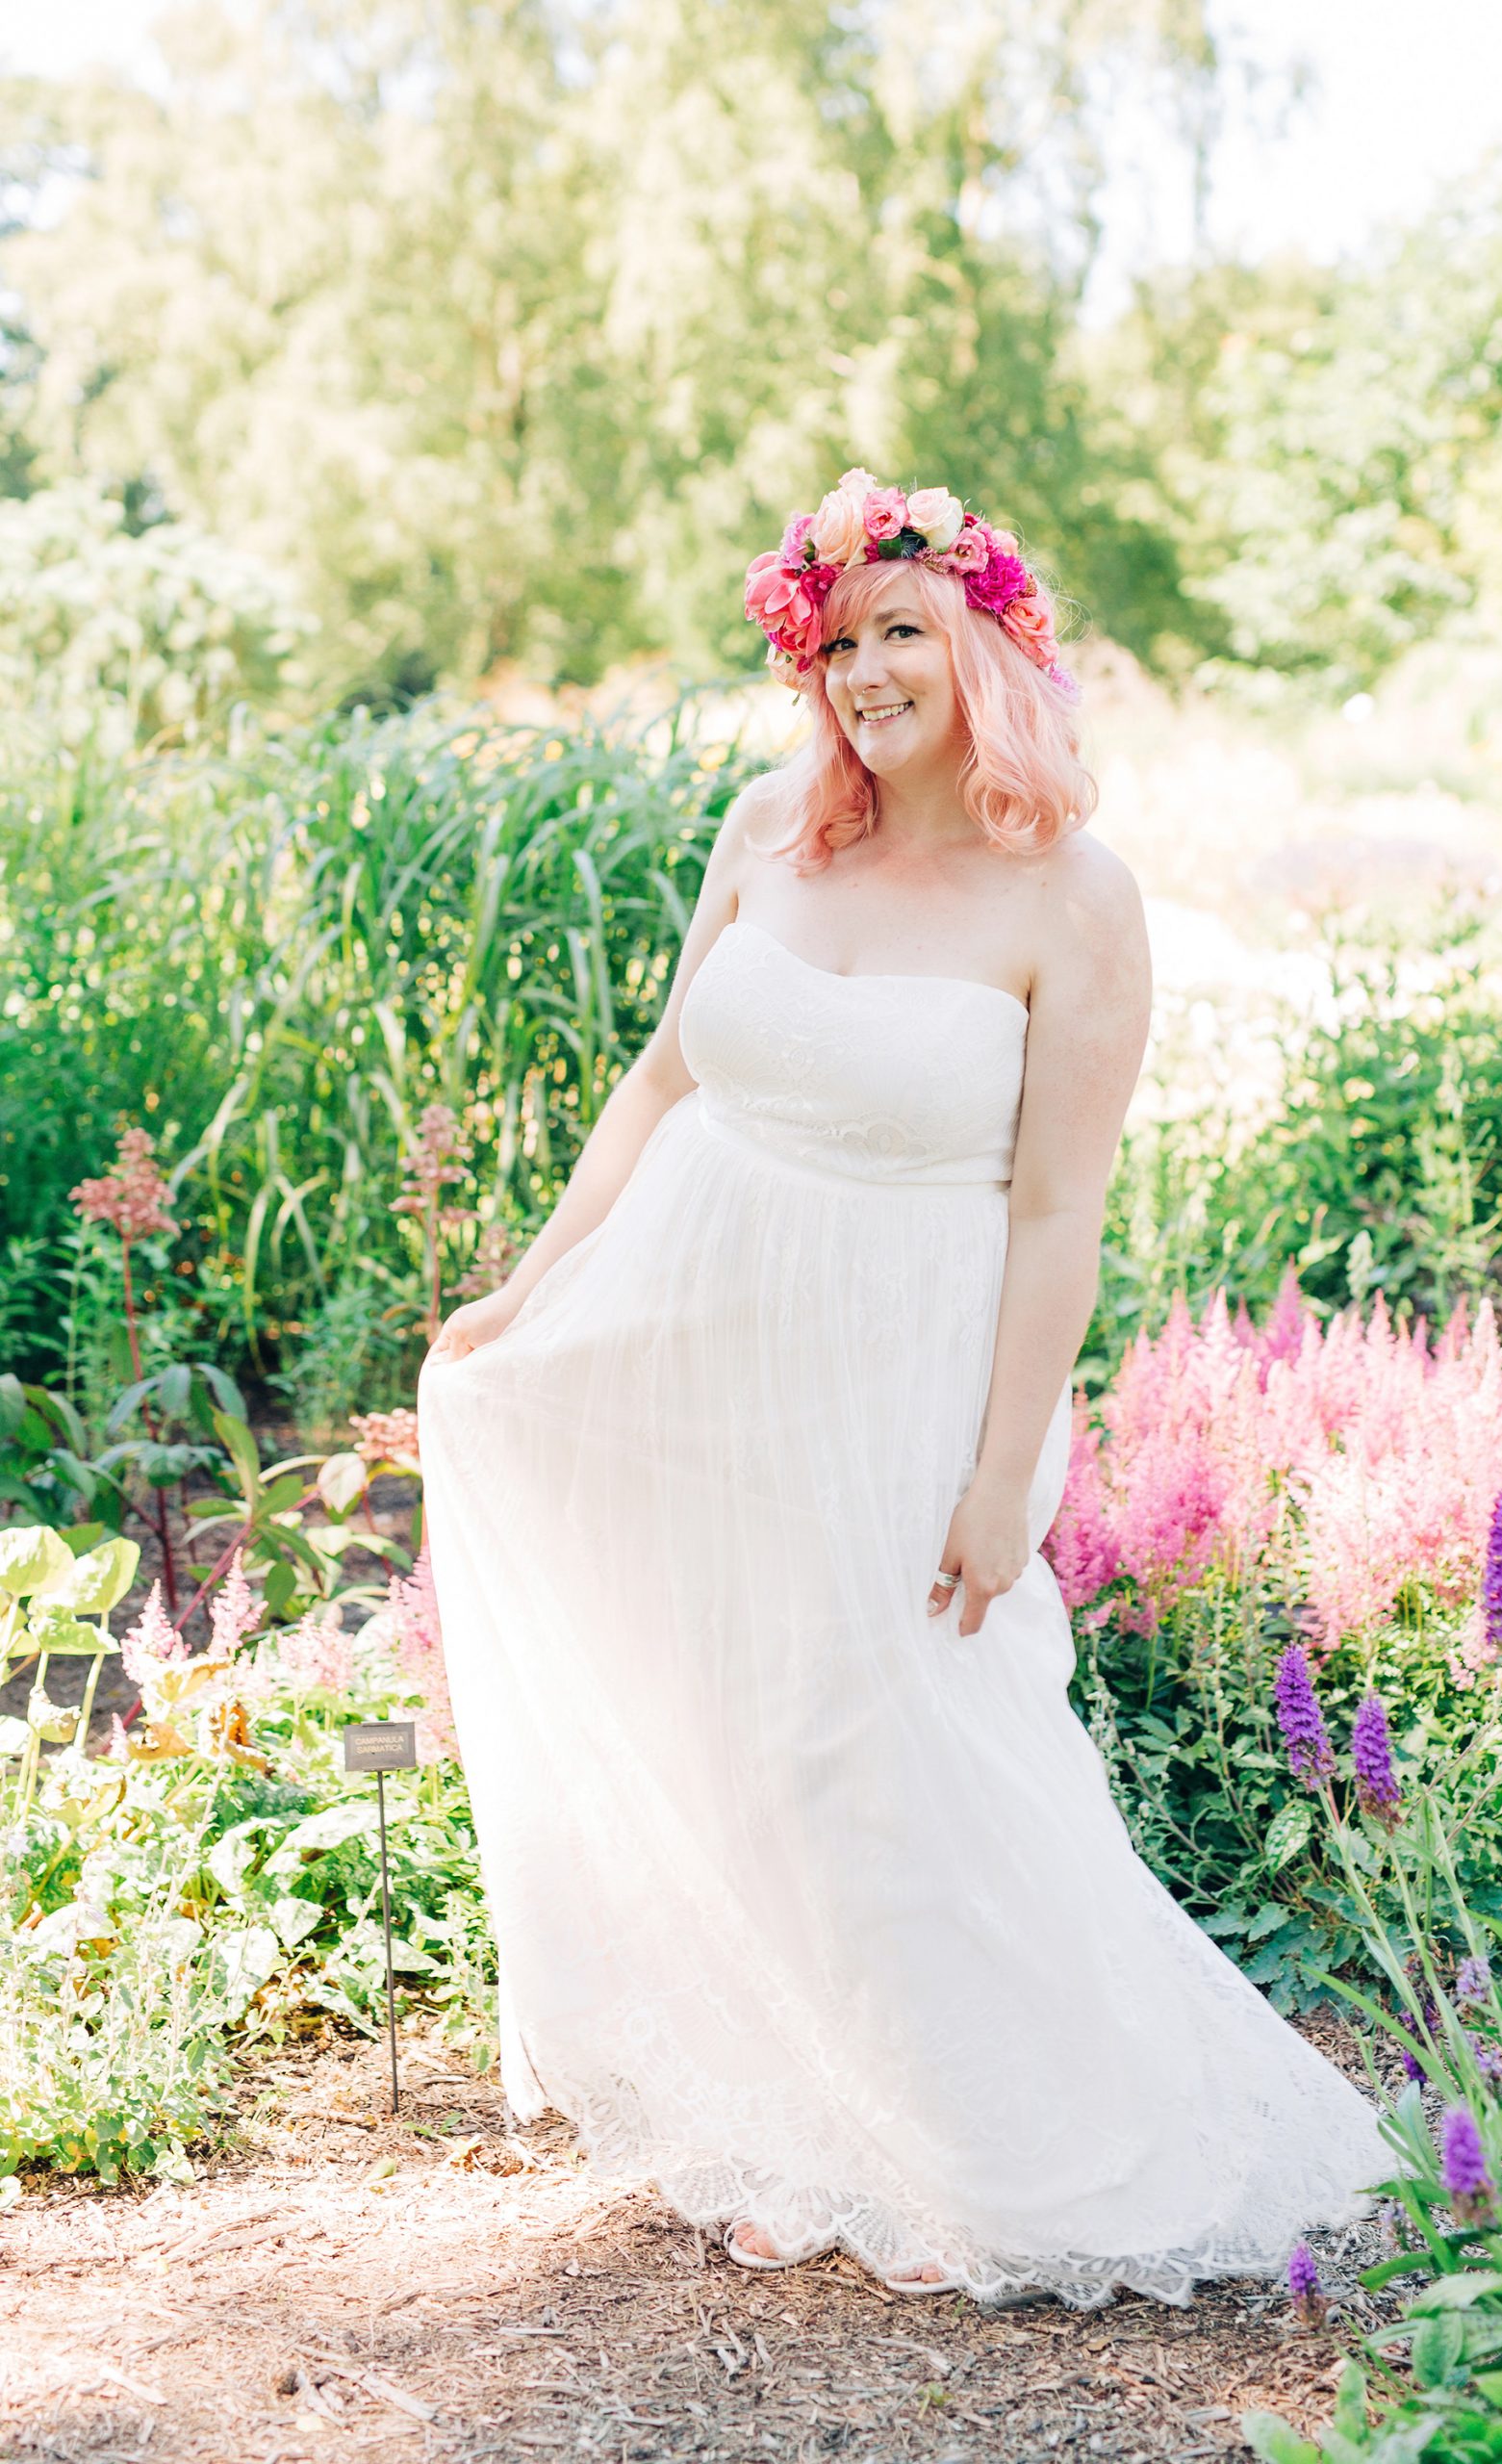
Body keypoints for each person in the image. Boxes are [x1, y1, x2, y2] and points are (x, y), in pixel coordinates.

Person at [417, 468, 1387, 2306]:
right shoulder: (771, 828)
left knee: (890, 1740)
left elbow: (1056, 1210)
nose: (864, 672)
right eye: (838, 640)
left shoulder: (1074, 902)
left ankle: (983, 2134)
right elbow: (658, 1084)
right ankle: (798, 2105)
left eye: (902, 634)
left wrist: (1002, 1471)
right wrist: (529, 1290)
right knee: (739, 1711)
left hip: (900, 1360)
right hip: (697, 1322)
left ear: (987, 650)